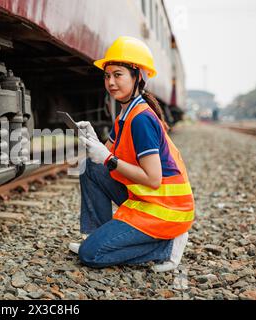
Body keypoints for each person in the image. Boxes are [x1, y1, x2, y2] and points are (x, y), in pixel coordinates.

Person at [70, 36, 195, 272]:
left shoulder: (141, 120)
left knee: (90, 256)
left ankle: (167, 247)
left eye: (118, 75)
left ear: (137, 76)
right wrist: (94, 142)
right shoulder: (126, 115)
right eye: (107, 76)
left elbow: (153, 178)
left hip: (166, 209)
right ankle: (99, 235)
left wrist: (107, 158)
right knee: (89, 166)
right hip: (148, 199)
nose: (111, 82)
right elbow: (102, 160)